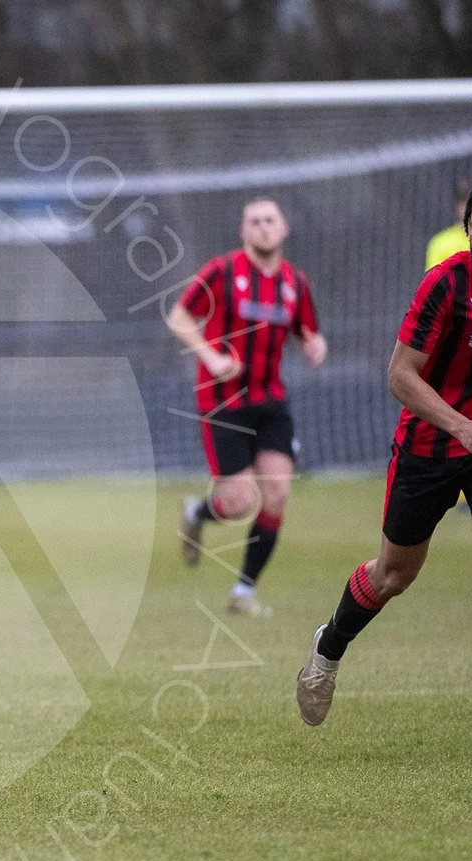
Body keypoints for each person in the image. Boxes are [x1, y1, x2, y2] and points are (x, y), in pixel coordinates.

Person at [298, 178, 472, 749]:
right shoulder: (445, 284)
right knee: (394, 574)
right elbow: (399, 375)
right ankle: (329, 645)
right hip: (429, 447)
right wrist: (459, 425)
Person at [172, 199, 329, 616]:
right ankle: (198, 512)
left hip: (271, 401)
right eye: (254, 221)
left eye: (270, 220)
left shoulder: (295, 282)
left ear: (284, 228)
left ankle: (243, 592)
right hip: (223, 402)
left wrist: (315, 344)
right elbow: (179, 318)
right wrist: (211, 357)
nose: (263, 227)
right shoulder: (222, 271)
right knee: (239, 503)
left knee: (277, 492)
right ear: (243, 231)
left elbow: (307, 331)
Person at [426, 182, 472, 272]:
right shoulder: (441, 243)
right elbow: (434, 278)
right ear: (457, 206)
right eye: (464, 202)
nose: (469, 209)